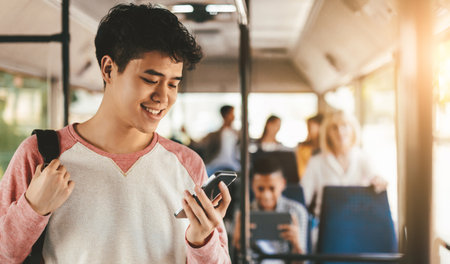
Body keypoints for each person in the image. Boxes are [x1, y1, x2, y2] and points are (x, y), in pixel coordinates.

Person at [0, 4, 232, 263]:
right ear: (108, 69)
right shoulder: (40, 154)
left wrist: (201, 241)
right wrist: (33, 210)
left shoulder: (187, 165)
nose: (163, 97)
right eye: (150, 80)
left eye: (173, 84)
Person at [301, 111, 388, 217]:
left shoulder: (362, 157)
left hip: (358, 220)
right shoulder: (316, 162)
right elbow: (303, 196)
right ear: (327, 133)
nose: (340, 132)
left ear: (353, 129)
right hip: (326, 224)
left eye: (345, 126)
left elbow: (375, 176)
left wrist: (378, 181)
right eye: (334, 128)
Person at [233, 157, 308, 262]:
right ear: (252, 185)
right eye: (261, 189)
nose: (266, 196)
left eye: (272, 188)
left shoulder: (297, 211)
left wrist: (296, 246)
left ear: (282, 184)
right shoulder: (244, 213)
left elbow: (302, 262)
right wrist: (237, 243)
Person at [195, 105, 240, 176]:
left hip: (233, 165)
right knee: (203, 176)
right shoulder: (214, 134)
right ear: (225, 115)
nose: (234, 117)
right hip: (216, 164)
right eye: (232, 114)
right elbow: (198, 144)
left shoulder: (237, 134)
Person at [295, 114, 323, 181]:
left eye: (310, 127)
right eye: (308, 127)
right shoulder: (303, 148)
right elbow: (302, 173)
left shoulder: (329, 148)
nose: (309, 130)